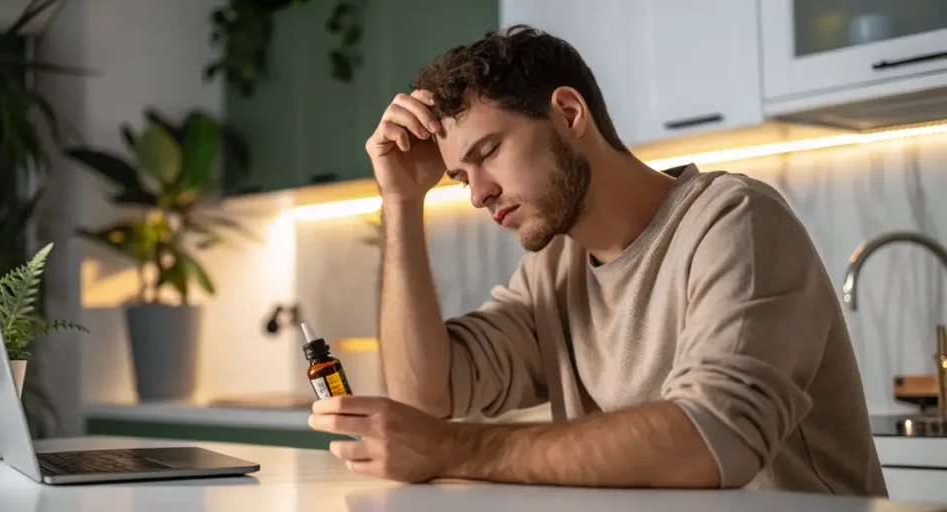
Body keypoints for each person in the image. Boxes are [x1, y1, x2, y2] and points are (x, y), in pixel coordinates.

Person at [307, 24, 887, 495]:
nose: (477, 192)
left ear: (568, 113)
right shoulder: (552, 275)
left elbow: (712, 440)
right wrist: (402, 202)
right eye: (460, 177)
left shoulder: (734, 220)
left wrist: (455, 448)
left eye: (487, 153)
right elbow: (424, 398)